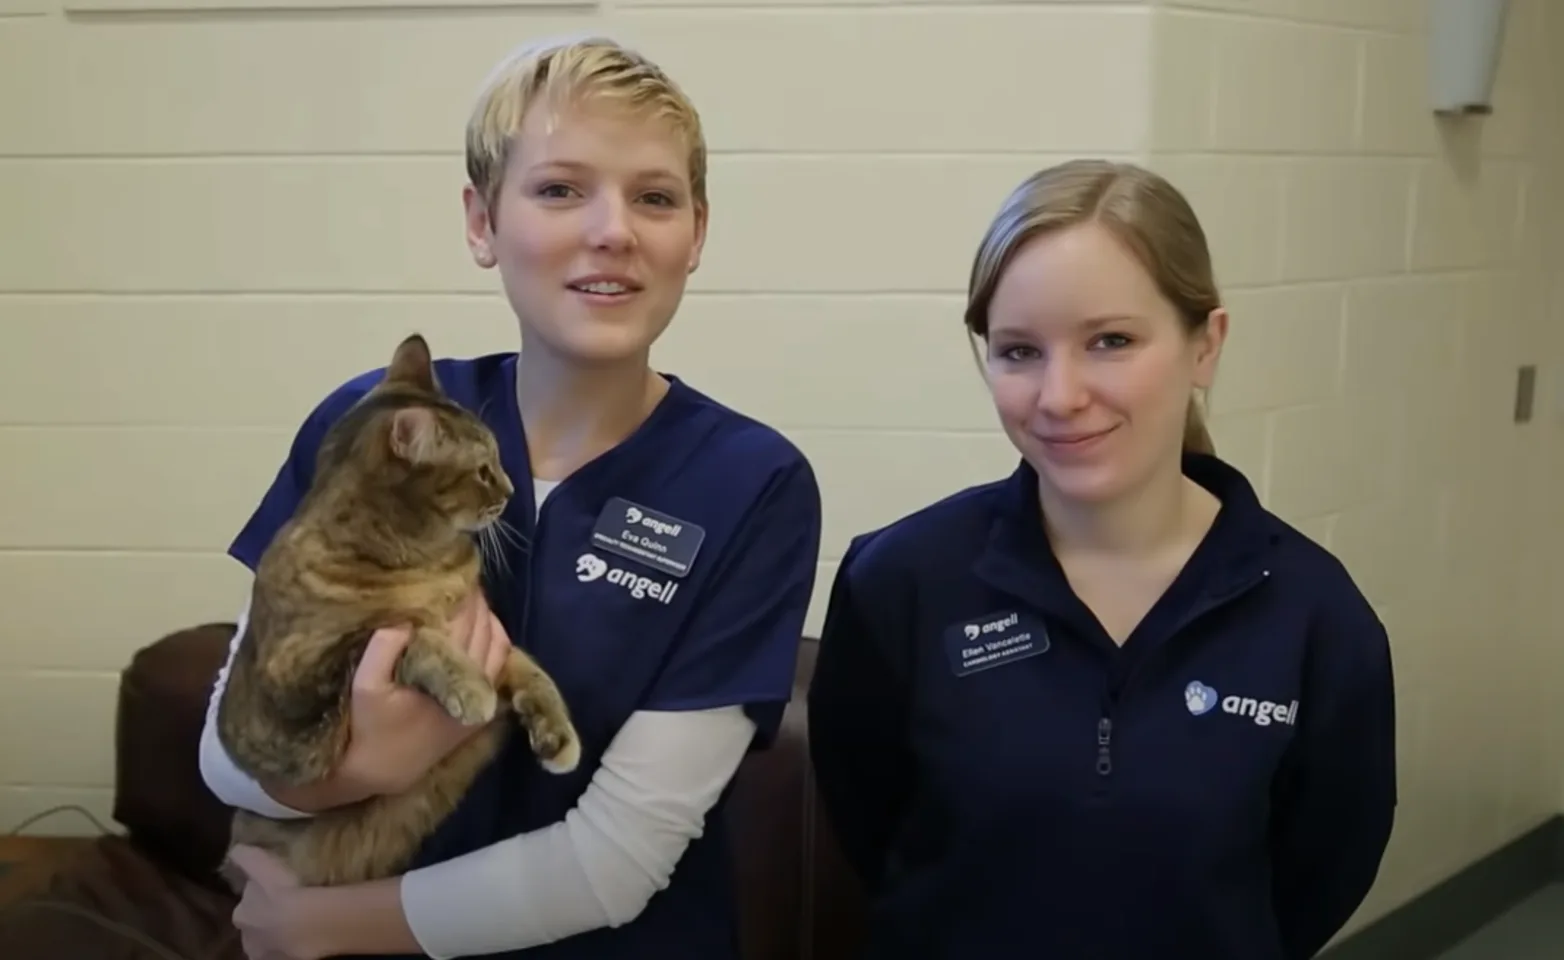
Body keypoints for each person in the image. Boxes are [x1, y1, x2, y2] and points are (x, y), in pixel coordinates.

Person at [198, 35, 822, 960]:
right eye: (560, 189)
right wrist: (355, 770)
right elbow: (225, 747)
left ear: (696, 232)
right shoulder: (375, 429)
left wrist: (323, 925)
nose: (612, 229)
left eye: (654, 197)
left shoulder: (751, 484)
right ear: (482, 222)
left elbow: (618, 858)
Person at [806, 159, 1397, 960]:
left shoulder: (1312, 617)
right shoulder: (902, 584)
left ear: (1204, 347)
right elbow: (868, 827)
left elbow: (1318, 874)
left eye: (1111, 341)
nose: (1060, 395)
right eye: (1019, 352)